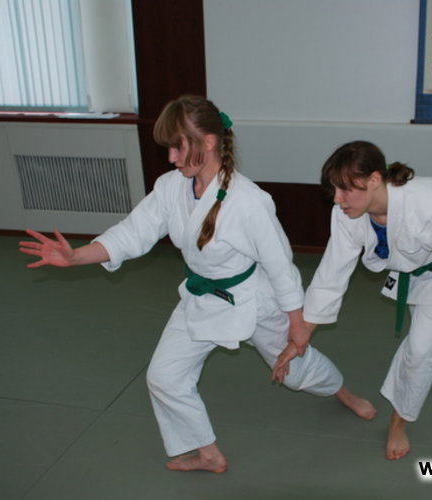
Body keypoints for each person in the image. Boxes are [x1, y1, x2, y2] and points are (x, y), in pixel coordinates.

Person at [19, 96, 376, 473]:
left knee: (294, 370)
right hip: (201, 296)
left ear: (208, 142)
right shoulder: (170, 187)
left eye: (178, 147)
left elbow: (280, 266)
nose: (171, 157)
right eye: (169, 148)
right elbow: (132, 233)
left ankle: (343, 392)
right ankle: (209, 453)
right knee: (164, 377)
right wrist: (75, 257)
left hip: (253, 300)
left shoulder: (249, 201)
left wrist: (298, 326)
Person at [274, 140, 432, 461]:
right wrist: (303, 331)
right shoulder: (347, 213)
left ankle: (399, 420)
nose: (337, 199)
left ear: (374, 179)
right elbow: (332, 271)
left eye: (346, 190)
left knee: (419, 350)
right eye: (334, 190)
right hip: (408, 273)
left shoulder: (428, 205)